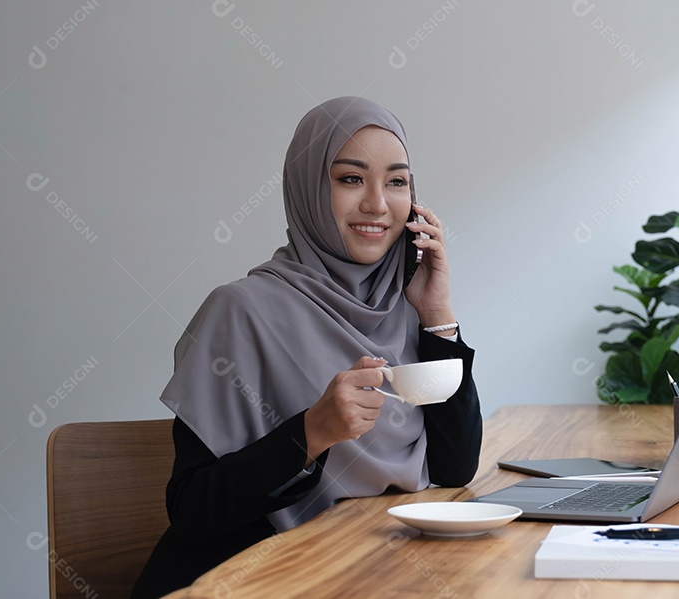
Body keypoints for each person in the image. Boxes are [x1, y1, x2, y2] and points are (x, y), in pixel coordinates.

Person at [132, 97, 482, 598]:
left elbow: (455, 470)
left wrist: (438, 316)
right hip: (251, 582)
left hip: (369, 573)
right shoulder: (240, 311)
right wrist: (312, 432)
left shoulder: (406, 307)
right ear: (309, 188)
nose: (377, 204)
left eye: (397, 182)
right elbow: (192, 511)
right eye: (351, 178)